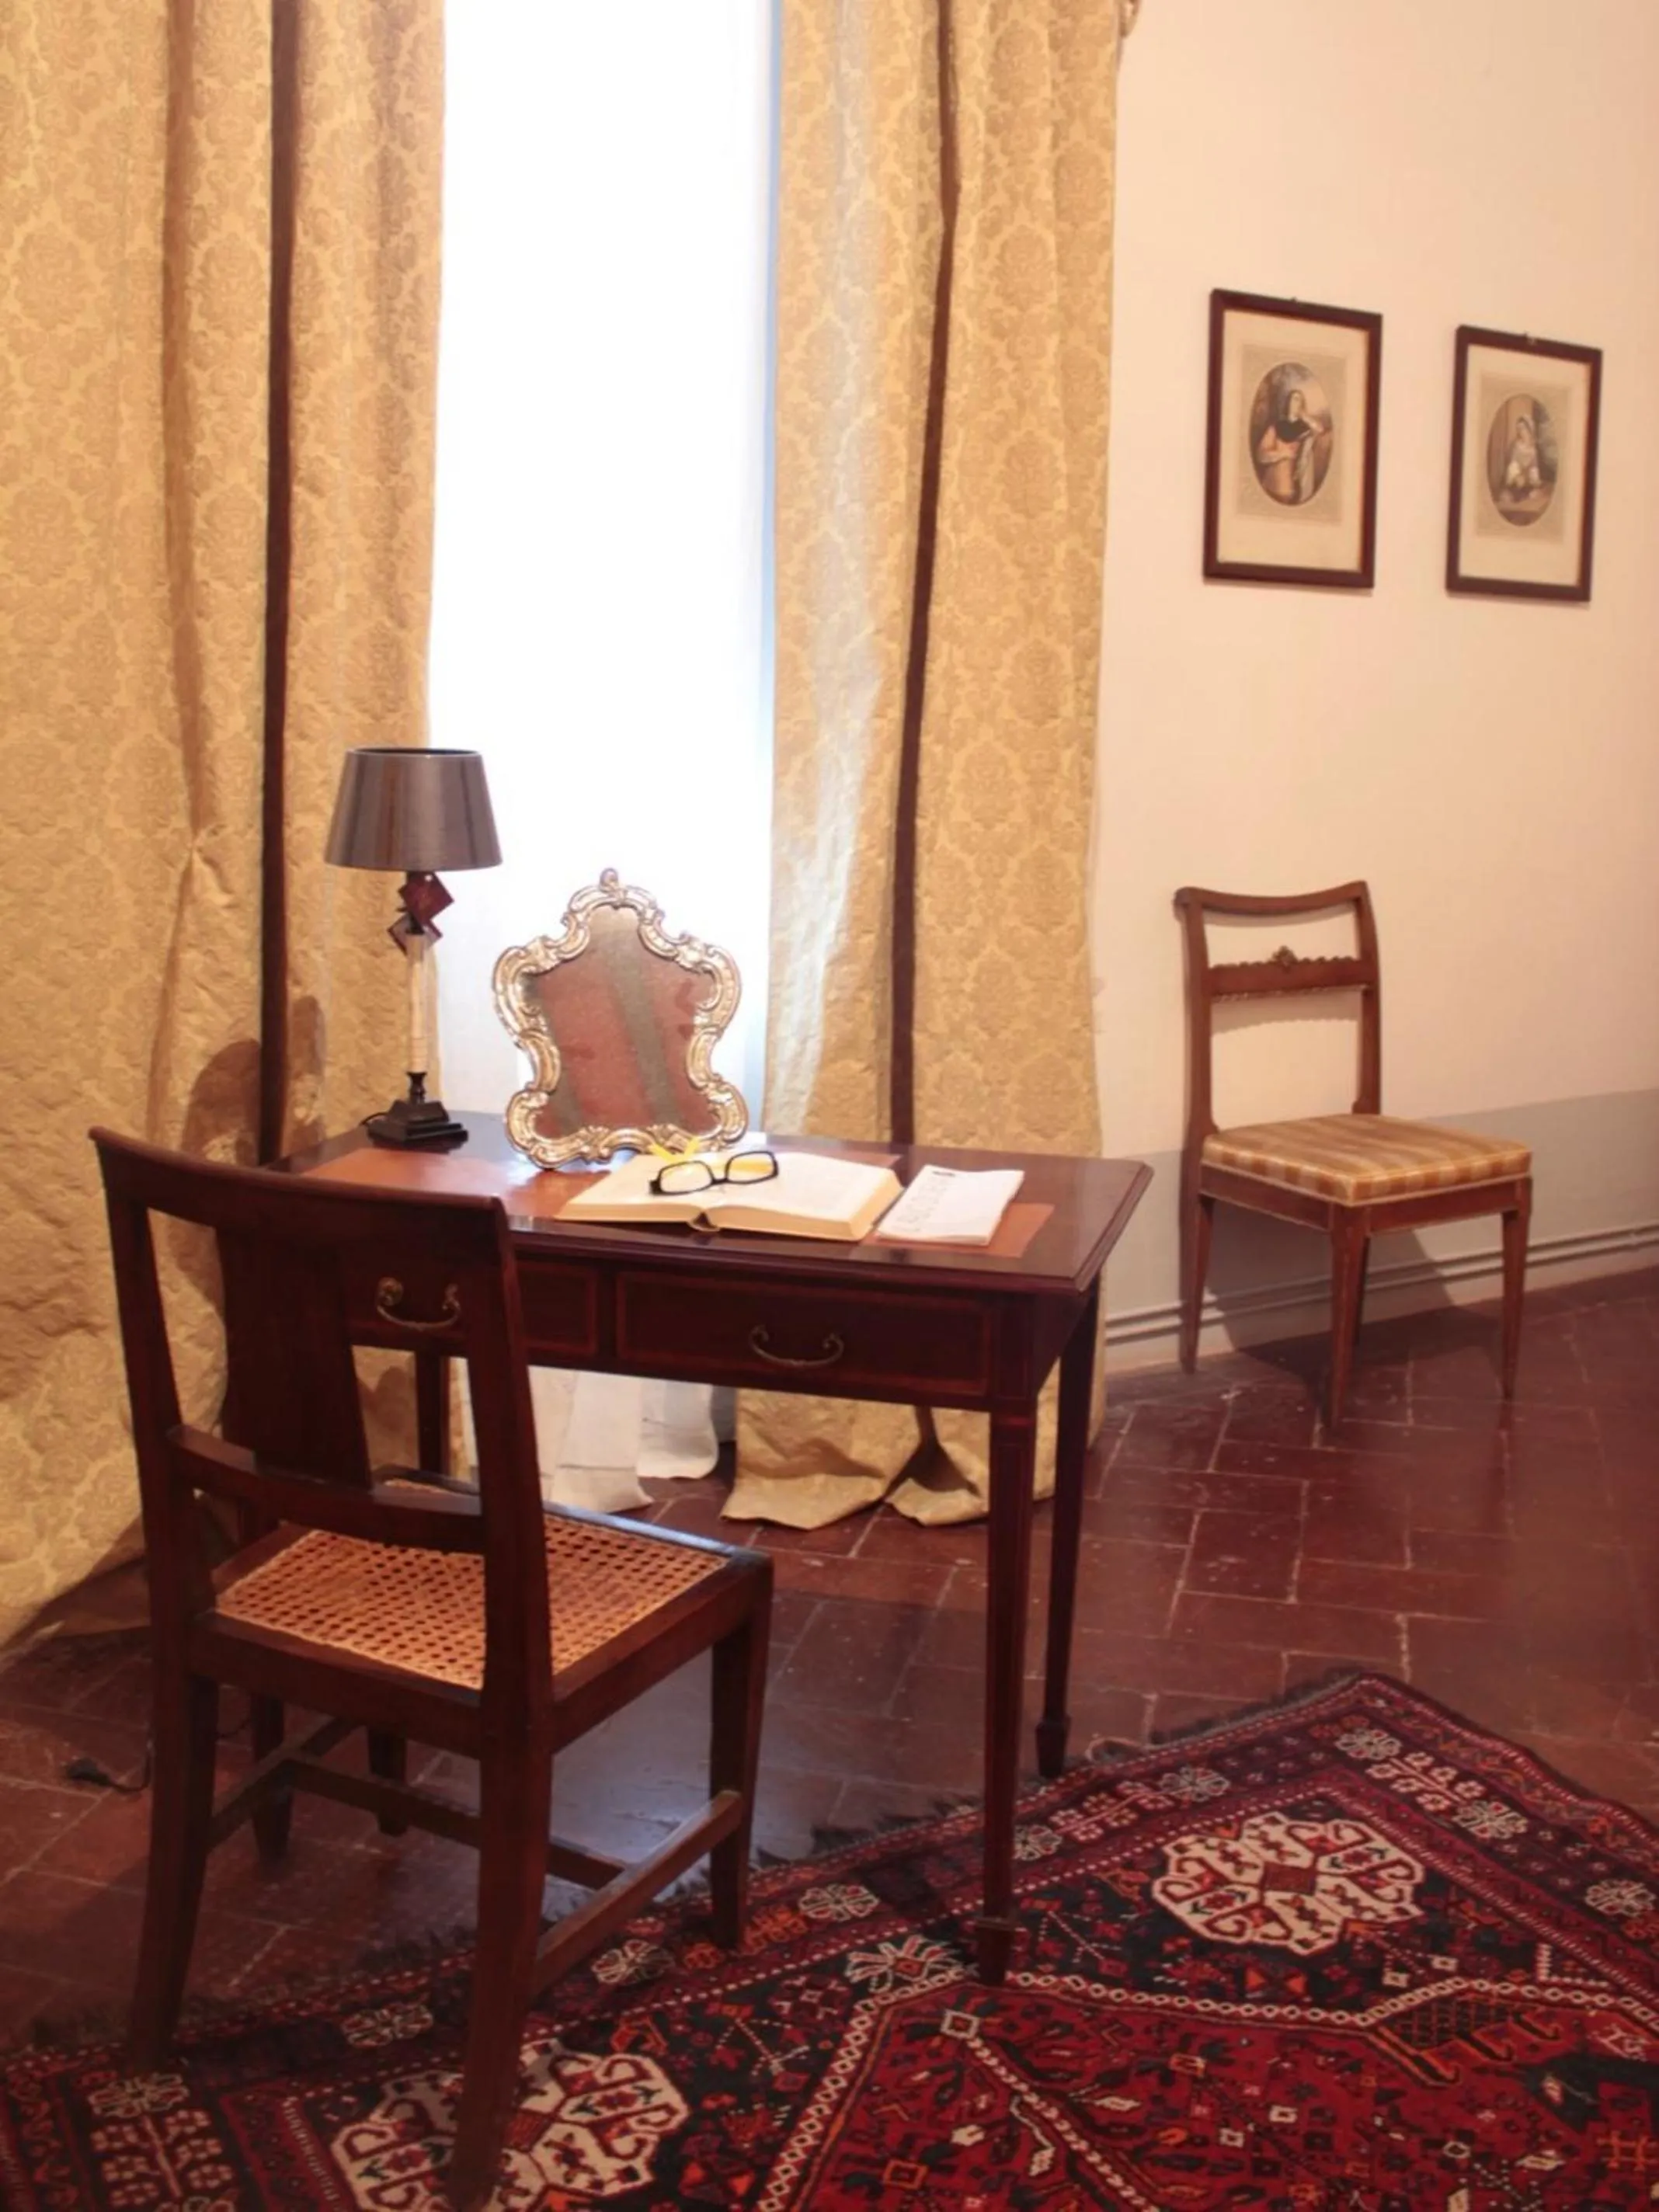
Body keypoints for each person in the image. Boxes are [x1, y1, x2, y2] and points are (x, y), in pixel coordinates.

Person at [1254, 382, 1323, 506]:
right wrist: (1283, 454)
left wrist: (1304, 416)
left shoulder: (1305, 429)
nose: (1296, 403)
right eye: (1294, 399)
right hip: (1270, 484)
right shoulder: (1276, 426)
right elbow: (1261, 455)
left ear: (1302, 405)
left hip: (1291, 487)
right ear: (1288, 402)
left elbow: (1320, 430)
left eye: (1299, 400)